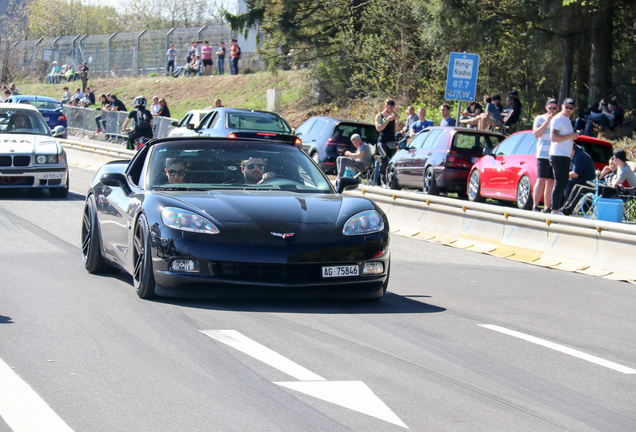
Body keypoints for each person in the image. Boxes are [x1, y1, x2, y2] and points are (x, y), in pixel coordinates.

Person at [549, 98, 579, 215]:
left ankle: (556, 208)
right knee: (559, 182)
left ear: (573, 109)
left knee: (565, 181)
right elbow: (553, 137)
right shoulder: (558, 119)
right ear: (562, 106)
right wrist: (570, 135)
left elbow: (566, 137)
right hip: (558, 155)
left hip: (565, 155)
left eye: (571, 108)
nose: (568, 110)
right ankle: (554, 210)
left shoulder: (567, 120)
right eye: (566, 107)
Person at [531, 98, 558, 212]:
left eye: (554, 108)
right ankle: (535, 206)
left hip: (555, 154)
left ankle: (547, 207)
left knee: (551, 181)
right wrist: (547, 122)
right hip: (543, 154)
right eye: (550, 108)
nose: (552, 110)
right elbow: (536, 134)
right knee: (541, 179)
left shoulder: (558, 119)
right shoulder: (540, 118)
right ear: (546, 108)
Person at [374, 99, 399, 185]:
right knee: (384, 161)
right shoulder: (380, 116)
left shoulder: (392, 116)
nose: (391, 109)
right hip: (383, 141)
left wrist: (396, 120)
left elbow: (396, 130)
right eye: (389, 107)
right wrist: (387, 120)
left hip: (391, 141)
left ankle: (392, 180)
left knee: (393, 161)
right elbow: (379, 128)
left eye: (392, 108)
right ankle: (382, 179)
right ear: (386, 106)